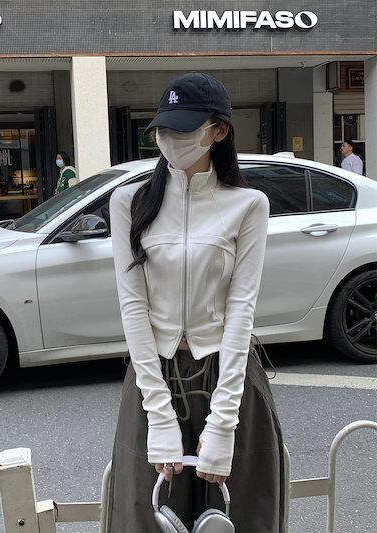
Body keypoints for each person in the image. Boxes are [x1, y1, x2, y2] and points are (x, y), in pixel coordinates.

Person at [107, 73, 285, 532]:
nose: (170, 139)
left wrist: (224, 424)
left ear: (218, 130)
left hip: (228, 376)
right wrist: (158, 414)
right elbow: (133, 307)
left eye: (184, 129)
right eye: (163, 129)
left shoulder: (248, 205)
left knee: (238, 517)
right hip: (154, 377)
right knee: (145, 517)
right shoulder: (129, 202)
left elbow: (241, 310)